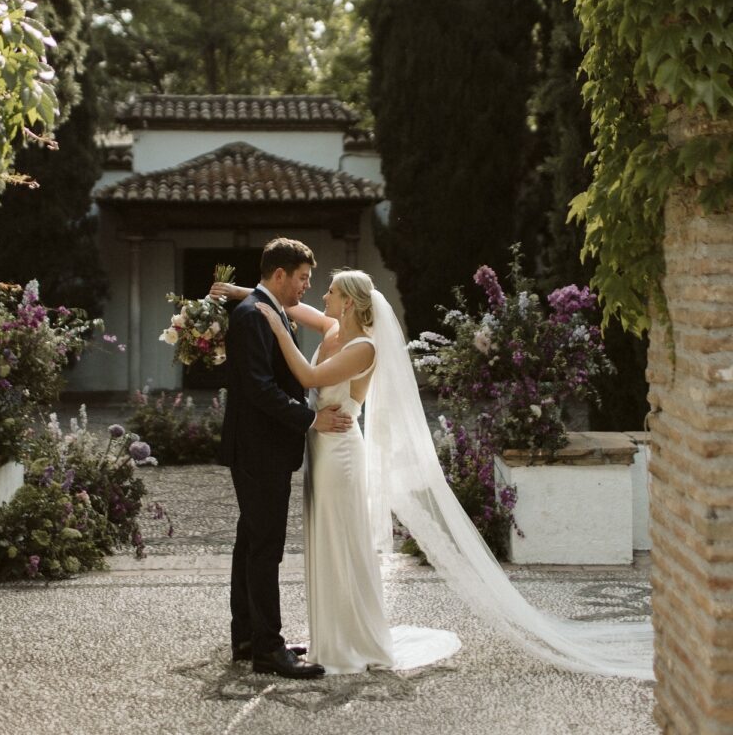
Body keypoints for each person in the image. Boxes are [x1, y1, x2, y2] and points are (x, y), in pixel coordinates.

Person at [216, 268, 655, 681]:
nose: (321, 295)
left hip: (341, 455)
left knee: (342, 542)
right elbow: (288, 307)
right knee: (327, 541)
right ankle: (330, 636)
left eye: (329, 291)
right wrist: (248, 296)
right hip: (322, 452)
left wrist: (274, 328)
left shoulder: (364, 347)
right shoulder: (334, 330)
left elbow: (308, 373)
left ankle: (350, 641)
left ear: (348, 302)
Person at [218, 237, 353, 680]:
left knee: (251, 542)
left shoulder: (265, 310)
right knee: (265, 548)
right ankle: (268, 650)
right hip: (259, 449)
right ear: (279, 275)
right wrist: (310, 419)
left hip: (263, 447)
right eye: (301, 279)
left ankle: (248, 638)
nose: (305, 288)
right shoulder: (252, 317)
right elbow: (259, 388)